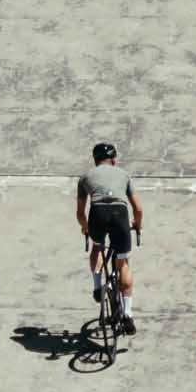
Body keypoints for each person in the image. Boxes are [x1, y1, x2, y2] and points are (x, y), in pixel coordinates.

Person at [75, 141, 142, 331]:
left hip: (97, 214)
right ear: (113, 159)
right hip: (120, 214)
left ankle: (97, 287)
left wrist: (85, 228)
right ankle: (128, 314)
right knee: (123, 262)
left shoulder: (85, 177)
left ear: (95, 161)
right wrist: (137, 225)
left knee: (97, 246)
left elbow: (80, 213)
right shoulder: (124, 175)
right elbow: (138, 208)